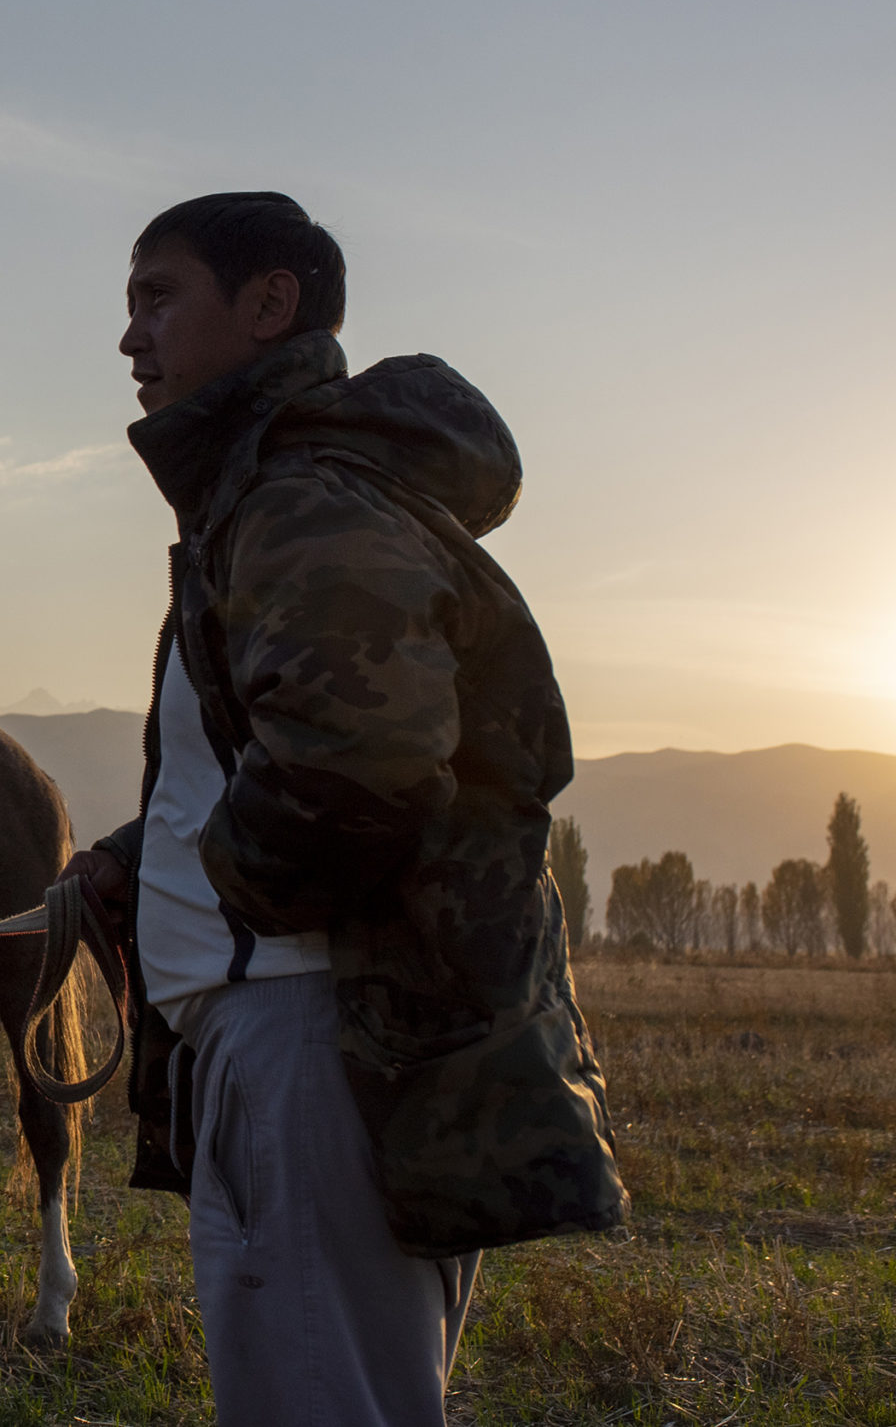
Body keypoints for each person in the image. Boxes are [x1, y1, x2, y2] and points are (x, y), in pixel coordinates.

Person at [60, 192, 626, 1425]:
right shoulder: (291, 490)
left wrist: (214, 889)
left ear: (269, 304)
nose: (129, 339)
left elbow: (358, 764)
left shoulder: (297, 496)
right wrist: (133, 866)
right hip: (311, 1019)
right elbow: (279, 745)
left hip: (309, 1032)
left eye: (158, 297)